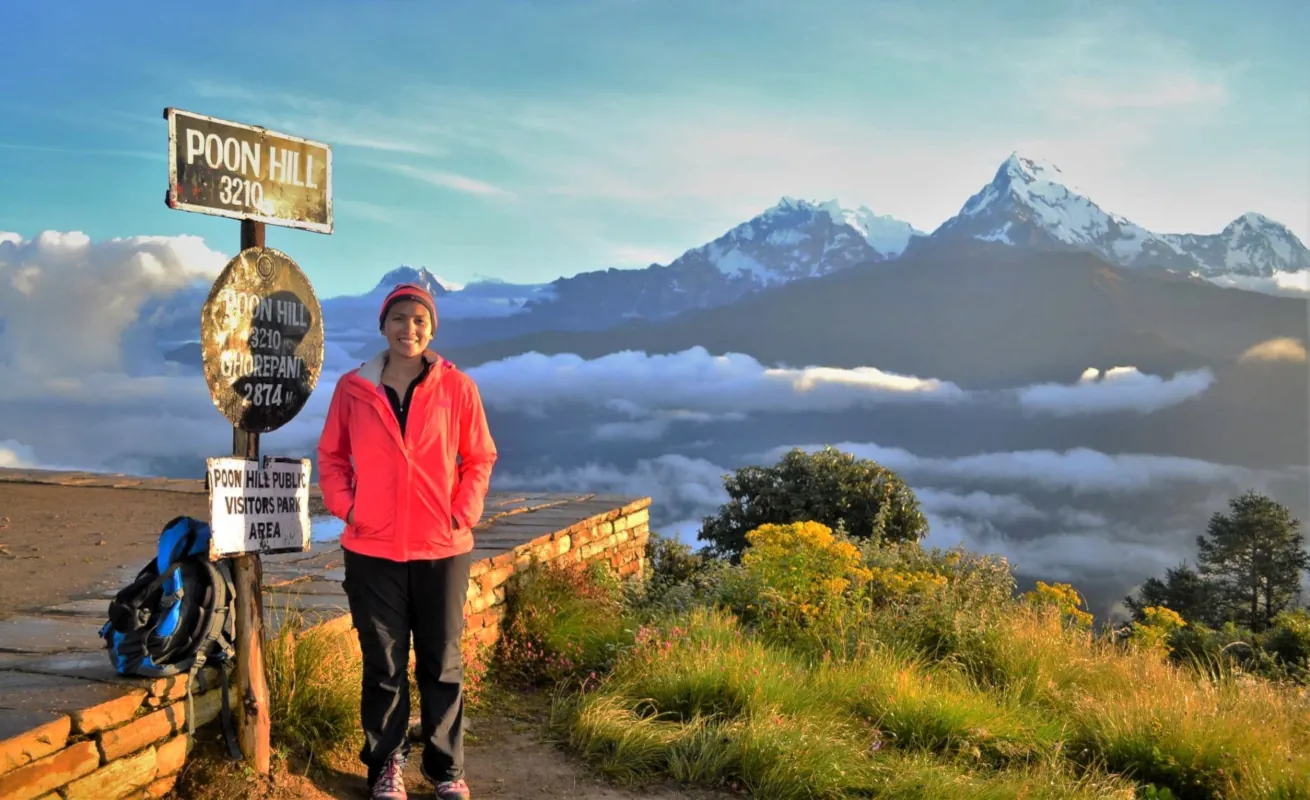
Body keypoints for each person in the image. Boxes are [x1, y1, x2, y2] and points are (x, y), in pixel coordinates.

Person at [317, 282, 497, 800]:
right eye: (398, 318)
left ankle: (446, 770)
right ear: (383, 325)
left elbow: (479, 457)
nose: (408, 328)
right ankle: (386, 765)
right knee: (384, 663)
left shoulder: (457, 388)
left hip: (443, 548)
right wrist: (349, 509)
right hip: (372, 549)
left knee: (442, 661)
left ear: (431, 328)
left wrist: (461, 512)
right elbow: (331, 456)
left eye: (419, 320)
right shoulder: (353, 389)